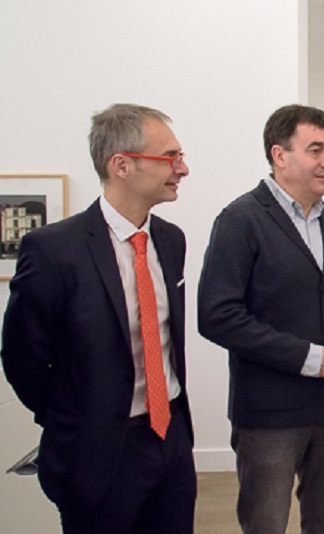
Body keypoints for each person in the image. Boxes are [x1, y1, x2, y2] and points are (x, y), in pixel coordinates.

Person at [1, 103, 195, 533]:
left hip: (170, 442)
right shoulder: (54, 250)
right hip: (97, 453)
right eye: (170, 157)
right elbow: (22, 359)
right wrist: (73, 420)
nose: (182, 169)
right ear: (121, 165)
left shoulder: (171, 241)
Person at [197, 104, 324, 534]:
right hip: (268, 416)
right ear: (279, 155)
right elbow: (217, 315)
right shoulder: (240, 220)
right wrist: (312, 358)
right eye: (315, 150)